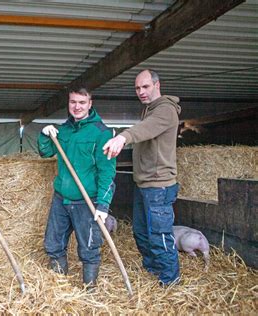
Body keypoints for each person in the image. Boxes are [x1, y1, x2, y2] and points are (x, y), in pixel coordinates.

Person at [102, 69, 181, 286]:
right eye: (137, 88)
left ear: (157, 85)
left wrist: (123, 137)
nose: (141, 92)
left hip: (159, 186)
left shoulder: (165, 110)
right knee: (141, 231)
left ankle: (170, 279)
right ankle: (153, 270)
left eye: (145, 86)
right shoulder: (148, 110)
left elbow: (145, 129)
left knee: (159, 235)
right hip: (144, 183)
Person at [38, 86, 116, 290]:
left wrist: (103, 205)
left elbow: (107, 171)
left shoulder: (101, 133)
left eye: (82, 102)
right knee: (53, 245)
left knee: (89, 248)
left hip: (86, 201)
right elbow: (45, 152)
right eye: (73, 102)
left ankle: (89, 290)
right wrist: (45, 134)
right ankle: (59, 288)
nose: (77, 106)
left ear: (90, 104)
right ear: (68, 104)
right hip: (61, 198)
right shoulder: (63, 131)